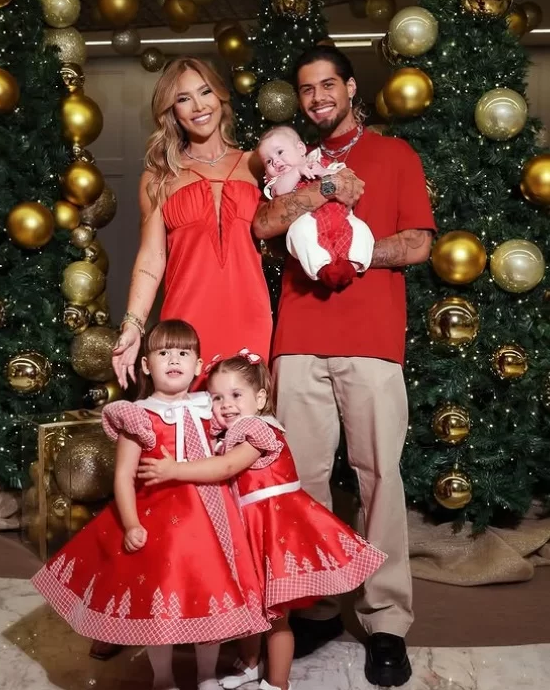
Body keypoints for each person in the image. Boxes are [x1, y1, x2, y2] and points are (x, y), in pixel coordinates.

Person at [252, 47, 436, 688]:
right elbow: (263, 224)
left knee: (380, 476)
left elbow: (419, 243)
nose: (317, 97)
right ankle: (318, 605)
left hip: (373, 342)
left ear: (351, 88)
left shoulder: (395, 156)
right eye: (306, 89)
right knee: (299, 482)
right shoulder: (291, 163)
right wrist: (321, 191)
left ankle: (385, 621)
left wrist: (352, 255)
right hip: (298, 340)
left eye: (328, 84)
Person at [32, 320, 271, 690]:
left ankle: (207, 674)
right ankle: (164, 676)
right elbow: (123, 476)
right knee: (157, 604)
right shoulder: (138, 415)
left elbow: (242, 432)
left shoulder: (211, 406)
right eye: (162, 353)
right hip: (157, 520)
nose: (173, 359)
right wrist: (130, 523)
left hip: (211, 521)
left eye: (182, 353)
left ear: (197, 365)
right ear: (146, 365)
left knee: (209, 596)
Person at [138, 352, 386, 690]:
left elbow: (224, 469)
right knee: (251, 607)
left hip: (274, 531)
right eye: (217, 397)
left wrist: (175, 470)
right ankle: (251, 663)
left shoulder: (258, 429)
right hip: (246, 530)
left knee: (277, 617)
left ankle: (278, 682)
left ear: (260, 398)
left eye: (236, 395)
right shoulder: (228, 433)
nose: (226, 405)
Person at [111, 57, 272, 394]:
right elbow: (151, 260)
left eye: (205, 92)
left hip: (251, 316)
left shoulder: (257, 164)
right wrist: (133, 325)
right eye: (183, 99)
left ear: (220, 96)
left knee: (246, 424)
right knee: (188, 434)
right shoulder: (159, 177)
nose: (198, 106)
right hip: (186, 325)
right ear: (172, 111)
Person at [258, 125, 374, 290]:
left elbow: (344, 182)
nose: (275, 161)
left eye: (280, 152)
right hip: (310, 221)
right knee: (298, 232)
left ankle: (352, 265)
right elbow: (281, 191)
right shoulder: (278, 182)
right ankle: (323, 268)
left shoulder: (321, 163)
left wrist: (322, 171)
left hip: (340, 217)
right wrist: (297, 171)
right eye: (268, 161)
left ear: (300, 149)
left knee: (361, 230)